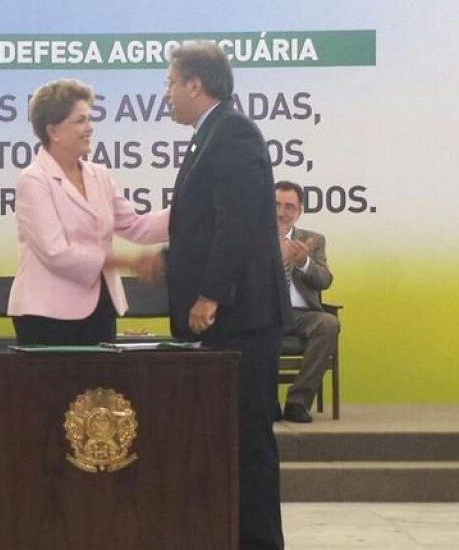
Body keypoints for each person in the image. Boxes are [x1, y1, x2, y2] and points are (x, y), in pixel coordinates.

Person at [160, 43, 291, 549]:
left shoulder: (233, 132)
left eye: (171, 83)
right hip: (228, 320)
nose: (167, 94)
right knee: (223, 439)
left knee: (248, 440)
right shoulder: (208, 134)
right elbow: (201, 226)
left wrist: (210, 295)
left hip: (242, 319)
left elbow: (235, 223)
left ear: (195, 84)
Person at [7, 78, 169, 345]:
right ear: (53, 130)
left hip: (101, 309)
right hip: (47, 315)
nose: (90, 128)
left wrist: (190, 209)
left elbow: (135, 225)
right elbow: (55, 252)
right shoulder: (33, 180)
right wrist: (128, 261)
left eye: (89, 119)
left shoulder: (99, 175)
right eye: (80, 120)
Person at [275, 180, 339, 423]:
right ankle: (266, 401)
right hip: (268, 312)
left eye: (289, 207)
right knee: (253, 325)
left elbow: (325, 280)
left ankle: (298, 402)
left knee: (328, 323)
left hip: (302, 314)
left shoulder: (314, 240)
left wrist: (304, 262)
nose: (281, 213)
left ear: (299, 211)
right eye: (276, 205)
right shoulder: (254, 238)